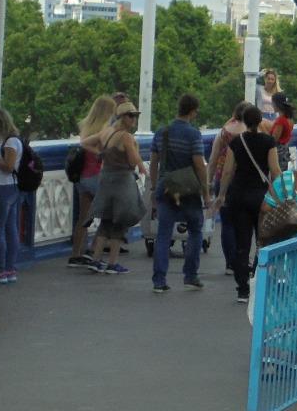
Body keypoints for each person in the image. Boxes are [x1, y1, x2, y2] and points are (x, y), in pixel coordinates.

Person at [217, 104, 279, 303]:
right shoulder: (269, 142)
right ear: (260, 121)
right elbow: (275, 170)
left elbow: (227, 171)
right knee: (262, 242)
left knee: (242, 244)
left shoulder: (237, 142)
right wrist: (280, 195)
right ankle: (257, 281)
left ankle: (242, 288)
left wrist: (221, 195)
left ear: (244, 121)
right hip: (262, 198)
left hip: (239, 195)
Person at [148, 93, 209, 293]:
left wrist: (154, 187)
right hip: (189, 190)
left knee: (163, 234)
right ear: (193, 112)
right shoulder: (193, 135)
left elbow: (154, 161)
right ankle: (190, 275)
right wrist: (206, 192)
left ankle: (159, 279)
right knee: (195, 231)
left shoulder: (161, 132)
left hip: (166, 188)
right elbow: (199, 165)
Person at [81, 100, 146, 275]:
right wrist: (139, 159)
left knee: (106, 220)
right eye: (131, 116)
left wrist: (100, 153)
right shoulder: (126, 137)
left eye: (135, 116)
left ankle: (95, 259)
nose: (134, 119)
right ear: (122, 117)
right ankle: (112, 263)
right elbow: (132, 160)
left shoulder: (106, 132)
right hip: (122, 180)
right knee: (120, 221)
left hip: (106, 179)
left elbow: (85, 142)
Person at [68, 95, 115, 267]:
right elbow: (104, 151)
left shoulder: (86, 127)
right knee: (110, 213)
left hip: (82, 177)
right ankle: (95, 249)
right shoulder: (104, 129)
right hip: (96, 176)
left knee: (84, 217)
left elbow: (82, 145)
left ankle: (76, 253)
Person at [209, 101, 253, 276]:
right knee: (244, 222)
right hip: (243, 180)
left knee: (227, 223)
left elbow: (212, 159)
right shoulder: (250, 132)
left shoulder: (224, 132)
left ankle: (230, 262)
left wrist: (209, 181)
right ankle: (242, 259)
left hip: (223, 178)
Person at [0, 108, 23, 284]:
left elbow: (8, 166)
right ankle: (11, 269)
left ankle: (0, 270)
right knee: (11, 229)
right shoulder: (15, 140)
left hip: (3, 188)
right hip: (13, 188)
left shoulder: (10, 143)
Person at [267, 92, 296, 172]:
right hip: (285, 150)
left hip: (278, 153)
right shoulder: (289, 119)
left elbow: (274, 139)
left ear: (277, 104)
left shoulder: (281, 120)